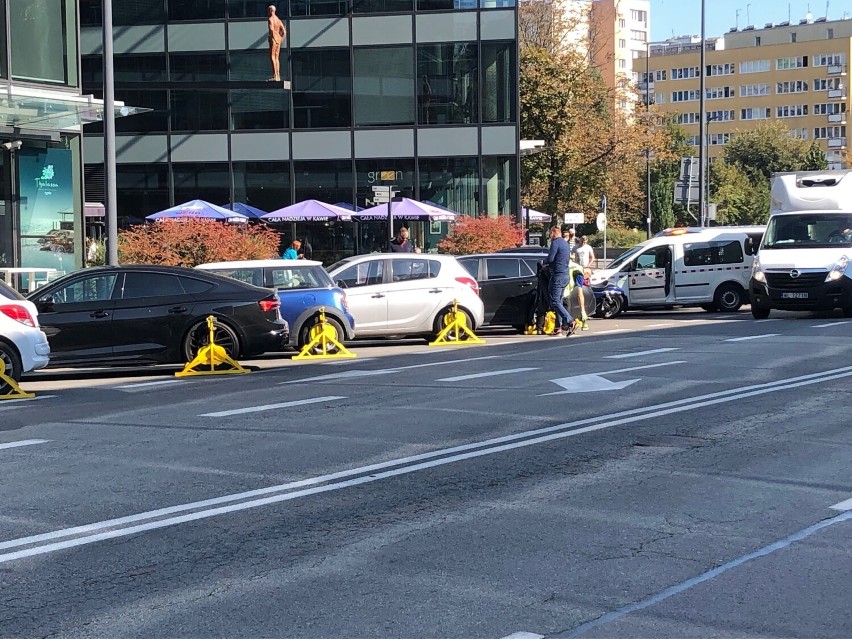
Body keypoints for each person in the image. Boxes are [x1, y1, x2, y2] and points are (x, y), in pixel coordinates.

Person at [545, 225, 574, 336]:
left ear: (553, 232)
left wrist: (543, 263)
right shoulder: (565, 243)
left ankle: (570, 321)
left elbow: (551, 258)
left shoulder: (556, 243)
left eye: (550, 234)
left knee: (555, 301)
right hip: (566, 275)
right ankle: (559, 328)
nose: (550, 236)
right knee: (559, 301)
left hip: (558, 275)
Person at [267, 5, 286, 82]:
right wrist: (281, 39)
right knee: (277, 57)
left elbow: (271, 30)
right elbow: (284, 31)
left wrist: (273, 38)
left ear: (271, 11)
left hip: (273, 39)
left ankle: (275, 75)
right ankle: (277, 75)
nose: (267, 12)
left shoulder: (270, 19)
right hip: (278, 39)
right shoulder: (278, 20)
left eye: (268, 10)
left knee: (272, 57)